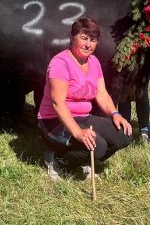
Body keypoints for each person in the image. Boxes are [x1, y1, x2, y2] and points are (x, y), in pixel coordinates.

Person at [38, 17, 132, 181]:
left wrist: (115, 114)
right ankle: (57, 159)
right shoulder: (60, 63)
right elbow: (57, 103)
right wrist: (78, 133)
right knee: (99, 145)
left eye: (93, 40)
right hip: (53, 120)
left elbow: (102, 94)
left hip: (83, 117)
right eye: (84, 38)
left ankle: (84, 158)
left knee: (124, 135)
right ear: (72, 38)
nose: (88, 44)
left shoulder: (94, 62)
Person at [108, 0, 150, 142]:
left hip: (141, 46)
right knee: (122, 88)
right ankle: (126, 127)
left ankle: (144, 129)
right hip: (117, 45)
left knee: (141, 89)